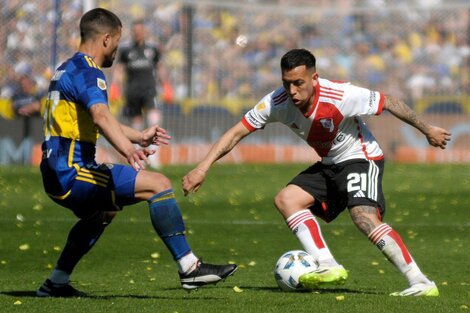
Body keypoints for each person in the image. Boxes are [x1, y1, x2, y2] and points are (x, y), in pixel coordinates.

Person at [182, 48, 451, 297]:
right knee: (287, 199)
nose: (292, 90)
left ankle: (420, 282)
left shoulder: (339, 96)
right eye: (287, 83)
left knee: (363, 217)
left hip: (361, 157)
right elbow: (236, 132)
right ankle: (327, 265)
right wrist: (202, 167)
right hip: (331, 163)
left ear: (314, 78)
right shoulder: (276, 102)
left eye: (298, 83)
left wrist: (427, 129)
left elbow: (389, 101)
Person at [37, 8, 236, 298]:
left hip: (56, 172)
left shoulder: (67, 68)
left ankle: (55, 282)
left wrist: (138, 135)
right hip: (71, 172)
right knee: (159, 185)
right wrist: (128, 149)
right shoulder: (90, 73)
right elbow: (101, 117)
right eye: (116, 42)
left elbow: (96, 120)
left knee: (103, 213)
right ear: (106, 39)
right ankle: (190, 268)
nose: (117, 50)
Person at [114, 19, 166, 131]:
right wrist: (116, 86)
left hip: (149, 88)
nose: (137, 33)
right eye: (135, 31)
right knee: (136, 119)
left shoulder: (152, 48)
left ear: (144, 31)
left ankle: (154, 146)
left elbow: (159, 66)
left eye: (140, 30)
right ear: (132, 32)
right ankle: (138, 146)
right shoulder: (125, 49)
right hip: (132, 90)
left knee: (153, 115)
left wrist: (165, 84)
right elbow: (119, 69)